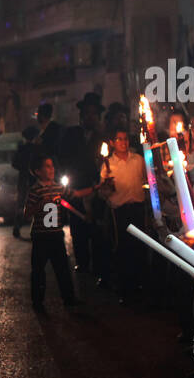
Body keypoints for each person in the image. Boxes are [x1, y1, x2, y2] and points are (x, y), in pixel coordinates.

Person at [58, 94, 104, 273]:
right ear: (81, 116)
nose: (90, 117)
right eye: (87, 113)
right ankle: (82, 262)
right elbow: (63, 158)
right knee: (78, 227)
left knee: (97, 228)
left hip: (96, 187)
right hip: (76, 186)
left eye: (93, 113)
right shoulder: (71, 135)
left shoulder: (102, 138)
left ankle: (99, 266)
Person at [99, 129, 147, 300]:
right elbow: (103, 194)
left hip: (137, 208)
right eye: (119, 139)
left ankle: (139, 285)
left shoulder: (138, 160)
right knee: (122, 248)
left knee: (138, 246)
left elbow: (146, 181)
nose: (123, 142)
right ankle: (124, 288)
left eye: (125, 139)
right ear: (112, 143)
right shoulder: (108, 165)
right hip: (119, 212)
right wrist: (107, 186)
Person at [24, 156, 76, 312]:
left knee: (62, 268)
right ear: (38, 172)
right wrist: (41, 204)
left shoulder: (58, 187)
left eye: (52, 165)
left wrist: (96, 188)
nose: (52, 169)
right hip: (41, 236)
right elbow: (27, 213)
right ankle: (37, 302)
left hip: (56, 234)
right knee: (39, 269)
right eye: (47, 166)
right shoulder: (35, 190)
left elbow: (75, 194)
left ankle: (69, 298)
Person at [11, 126, 41, 239]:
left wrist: (23, 167)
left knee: (21, 204)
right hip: (34, 180)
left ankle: (17, 227)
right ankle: (36, 228)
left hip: (23, 180)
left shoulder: (21, 149)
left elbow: (14, 163)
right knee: (36, 203)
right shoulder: (37, 149)